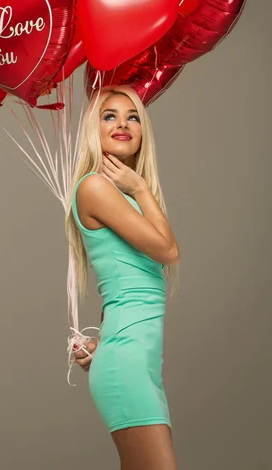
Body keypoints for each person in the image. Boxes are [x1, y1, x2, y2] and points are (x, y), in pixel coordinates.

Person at [65, 85, 181, 470]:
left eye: (133, 117)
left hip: (135, 359)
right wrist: (141, 187)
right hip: (127, 363)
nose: (123, 124)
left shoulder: (121, 195)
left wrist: (107, 343)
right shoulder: (97, 186)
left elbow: (121, 282)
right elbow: (168, 251)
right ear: (92, 129)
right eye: (109, 115)